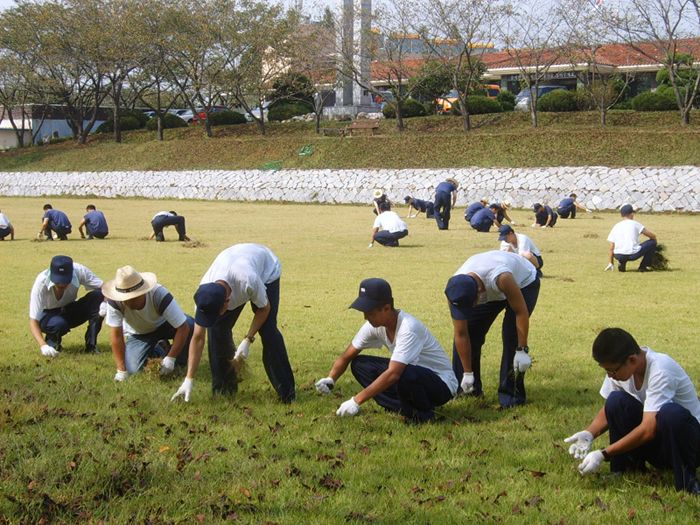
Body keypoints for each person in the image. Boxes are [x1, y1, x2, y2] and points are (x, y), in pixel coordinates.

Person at [564, 327, 700, 495]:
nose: (610, 376)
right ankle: (626, 469)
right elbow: (609, 408)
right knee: (616, 400)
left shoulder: (661, 369)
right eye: (606, 370)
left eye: (612, 370)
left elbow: (648, 430)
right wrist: (589, 433)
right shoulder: (621, 370)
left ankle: (687, 484)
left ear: (632, 360)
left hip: (691, 445)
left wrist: (604, 454)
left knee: (670, 413)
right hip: (661, 443)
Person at [315, 278, 457, 423]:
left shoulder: (409, 328)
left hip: (441, 384)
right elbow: (347, 355)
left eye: (370, 312)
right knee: (360, 364)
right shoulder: (373, 325)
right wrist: (331, 379)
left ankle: (424, 415)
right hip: (410, 374)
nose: (365, 317)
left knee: (403, 372)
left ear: (387, 308)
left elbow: (394, 374)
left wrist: (356, 401)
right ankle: (401, 407)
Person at [171, 244, 295, 403]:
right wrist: (189, 379)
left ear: (227, 303)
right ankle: (224, 391)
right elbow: (198, 337)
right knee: (217, 329)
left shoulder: (247, 280)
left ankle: (287, 393)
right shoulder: (205, 294)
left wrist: (247, 339)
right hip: (233, 261)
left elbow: (264, 309)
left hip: (266, 269)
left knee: (268, 331)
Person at [444, 250, 539, 408]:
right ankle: (468, 390)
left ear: (479, 293)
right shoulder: (455, 289)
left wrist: (522, 349)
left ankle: (512, 397)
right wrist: (467, 372)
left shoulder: (501, 278)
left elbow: (520, 312)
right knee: (471, 331)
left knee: (511, 337)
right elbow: (461, 334)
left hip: (524, 283)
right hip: (488, 287)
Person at [102, 265, 193, 381]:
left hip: (165, 325)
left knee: (190, 323)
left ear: (143, 292)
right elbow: (116, 336)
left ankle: (179, 364)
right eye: (126, 298)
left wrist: (171, 358)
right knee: (134, 370)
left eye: (133, 298)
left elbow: (183, 327)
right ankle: (160, 347)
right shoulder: (115, 302)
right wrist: (121, 370)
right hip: (139, 333)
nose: (129, 302)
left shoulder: (159, 294)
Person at [29, 255, 104, 356]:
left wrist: (105, 304)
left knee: (99, 296)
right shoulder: (41, 283)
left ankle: (91, 345)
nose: (61, 285)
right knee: (58, 324)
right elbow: (33, 321)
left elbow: (104, 287)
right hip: (47, 315)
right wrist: (43, 345)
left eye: (65, 281)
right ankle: (52, 343)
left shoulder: (79, 270)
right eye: (57, 281)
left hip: (69, 310)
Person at [605, 204, 657, 273]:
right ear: (632, 214)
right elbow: (652, 236)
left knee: (622, 250)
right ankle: (643, 266)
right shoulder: (635, 224)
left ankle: (622, 263)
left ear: (621, 215)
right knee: (652, 242)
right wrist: (654, 239)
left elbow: (611, 247)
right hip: (632, 254)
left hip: (618, 255)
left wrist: (610, 262)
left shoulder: (616, 226)